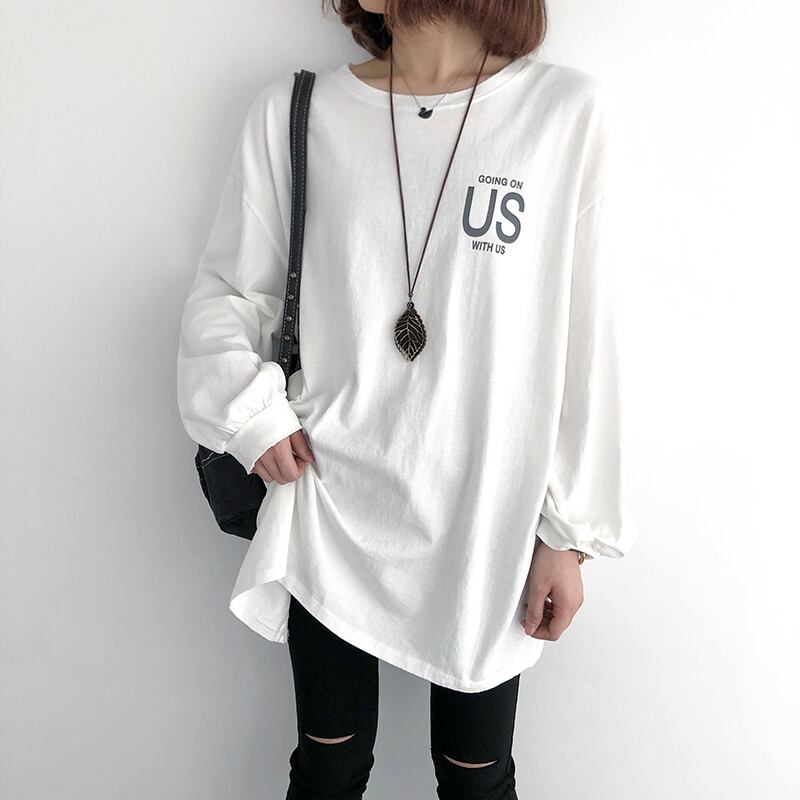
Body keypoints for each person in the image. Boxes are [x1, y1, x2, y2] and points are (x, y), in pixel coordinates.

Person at [176, 1, 639, 797]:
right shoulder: (299, 111)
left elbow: (588, 338)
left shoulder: (562, 113)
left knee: (476, 778)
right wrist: (251, 414)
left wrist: (569, 535)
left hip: (489, 515)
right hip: (328, 498)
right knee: (328, 768)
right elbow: (229, 293)